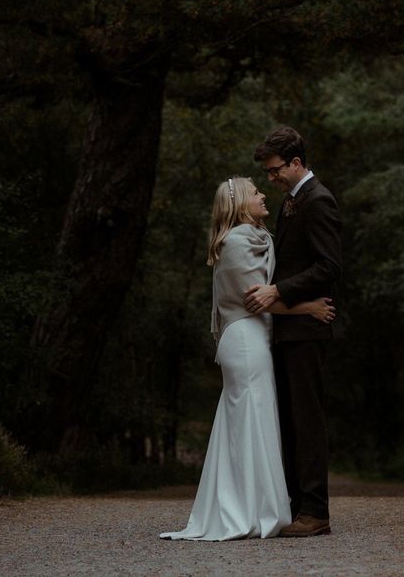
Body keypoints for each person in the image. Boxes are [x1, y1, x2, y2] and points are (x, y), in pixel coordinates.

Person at [160, 176, 335, 541]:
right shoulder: (237, 244)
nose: (263, 193)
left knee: (255, 421)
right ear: (240, 203)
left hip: (256, 336)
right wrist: (310, 308)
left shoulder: (253, 238)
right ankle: (252, 510)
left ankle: (257, 506)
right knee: (252, 421)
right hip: (244, 339)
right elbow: (258, 300)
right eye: (255, 191)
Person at [244, 126, 341, 538]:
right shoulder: (292, 201)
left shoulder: (318, 201)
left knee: (307, 420)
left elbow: (328, 267)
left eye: (275, 170)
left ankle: (316, 511)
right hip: (289, 327)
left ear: (296, 162)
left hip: (306, 330)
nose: (271, 178)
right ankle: (298, 506)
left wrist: (279, 291)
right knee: (290, 420)